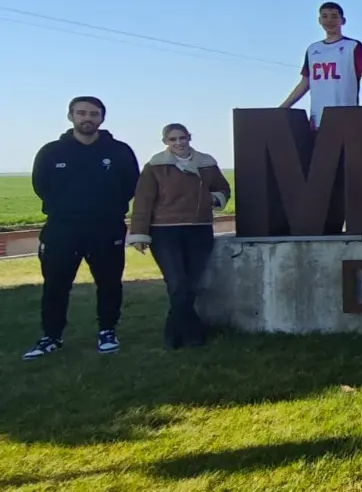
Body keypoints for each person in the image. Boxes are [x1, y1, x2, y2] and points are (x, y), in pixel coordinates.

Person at [24, 97, 140, 359]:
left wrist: (108, 208)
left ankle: (107, 332)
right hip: (61, 229)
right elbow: (41, 185)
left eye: (94, 114)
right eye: (81, 113)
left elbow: (131, 184)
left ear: (102, 118)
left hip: (106, 228)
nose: (87, 118)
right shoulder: (52, 151)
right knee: (55, 285)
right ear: (71, 116)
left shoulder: (119, 151)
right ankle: (51, 336)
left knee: (109, 283)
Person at [127, 123, 230, 349]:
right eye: (172, 139)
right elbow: (143, 199)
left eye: (182, 138)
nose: (178, 143)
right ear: (165, 142)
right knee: (177, 284)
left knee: (191, 284)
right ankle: (182, 334)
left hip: (199, 229)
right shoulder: (155, 166)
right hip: (165, 230)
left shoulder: (206, 163)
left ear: (189, 138)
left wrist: (212, 199)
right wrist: (140, 233)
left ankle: (182, 334)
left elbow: (223, 188)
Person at [279, 1, 362, 128]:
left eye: (334, 16)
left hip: (346, 114)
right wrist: (284, 107)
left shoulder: (352, 46)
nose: (329, 20)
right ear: (319, 20)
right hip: (318, 117)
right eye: (325, 16)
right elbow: (305, 82)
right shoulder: (313, 49)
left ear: (343, 20)